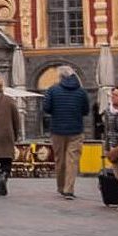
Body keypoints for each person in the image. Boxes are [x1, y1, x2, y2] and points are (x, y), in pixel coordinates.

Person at [42, 64, 91, 200]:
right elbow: (86, 111)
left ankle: (60, 187)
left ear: (60, 77)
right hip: (76, 130)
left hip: (57, 130)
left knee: (60, 160)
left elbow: (46, 108)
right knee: (72, 160)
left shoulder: (52, 90)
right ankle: (69, 189)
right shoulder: (81, 92)